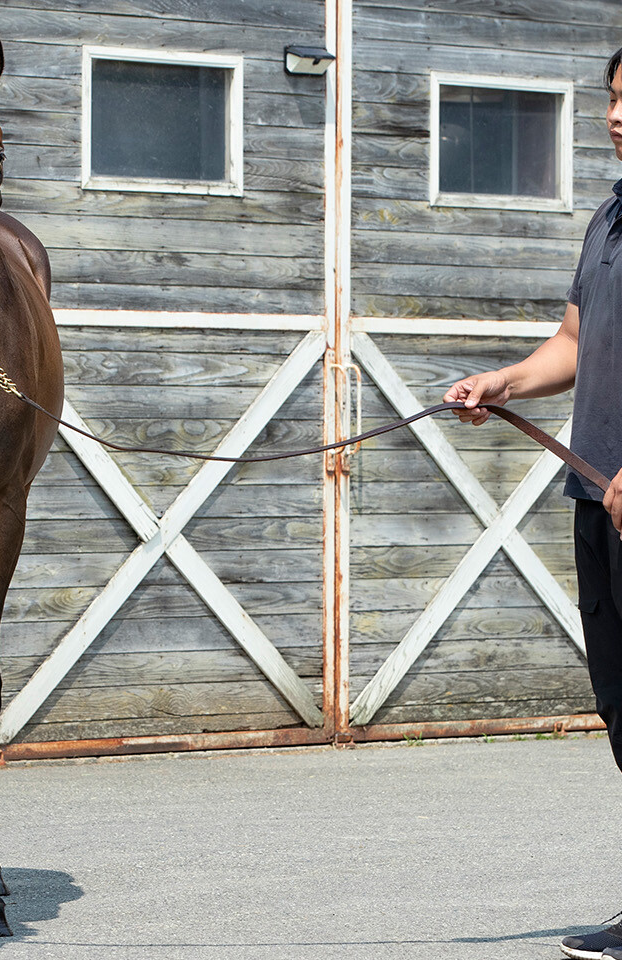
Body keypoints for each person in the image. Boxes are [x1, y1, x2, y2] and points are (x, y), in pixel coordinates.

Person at [444, 47, 622, 960]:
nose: (621, 115)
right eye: (616, 100)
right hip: (599, 496)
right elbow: (574, 342)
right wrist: (505, 382)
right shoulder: (607, 222)